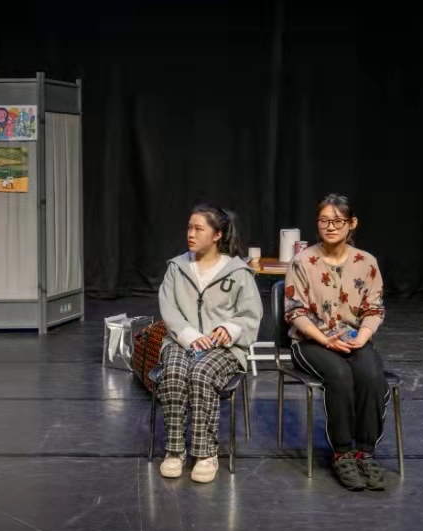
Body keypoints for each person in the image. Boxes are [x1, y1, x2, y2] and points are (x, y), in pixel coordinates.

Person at [283, 193, 389, 491]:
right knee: (339, 375)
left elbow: (374, 309)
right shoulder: (303, 261)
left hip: (352, 339)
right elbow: (295, 312)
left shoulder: (366, 262)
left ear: (352, 223)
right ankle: (342, 453)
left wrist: (362, 339)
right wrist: (325, 340)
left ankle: (364, 452)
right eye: (324, 221)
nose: (330, 227)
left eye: (338, 221)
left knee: (371, 376)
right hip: (310, 341)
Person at [156, 205, 263, 481]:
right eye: (189, 227)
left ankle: (205, 453)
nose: (190, 234)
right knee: (174, 372)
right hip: (181, 342)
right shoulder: (177, 268)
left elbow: (250, 314)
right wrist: (191, 337)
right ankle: (175, 449)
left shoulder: (238, 272)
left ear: (217, 235)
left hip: (224, 349)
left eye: (198, 229)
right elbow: (169, 310)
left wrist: (230, 329)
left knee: (201, 373)